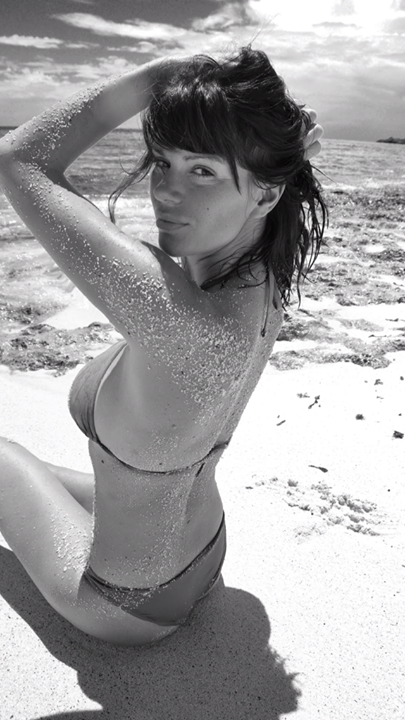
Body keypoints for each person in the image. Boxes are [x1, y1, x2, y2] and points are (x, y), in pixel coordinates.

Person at [0, 46, 326, 646]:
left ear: (267, 195)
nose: (167, 193)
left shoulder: (173, 314)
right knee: (26, 467)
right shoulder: (262, 276)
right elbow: (277, 172)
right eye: (162, 162)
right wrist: (268, 138)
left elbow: (19, 159)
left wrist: (164, 73)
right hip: (206, 546)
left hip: (126, 601)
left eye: (202, 171)